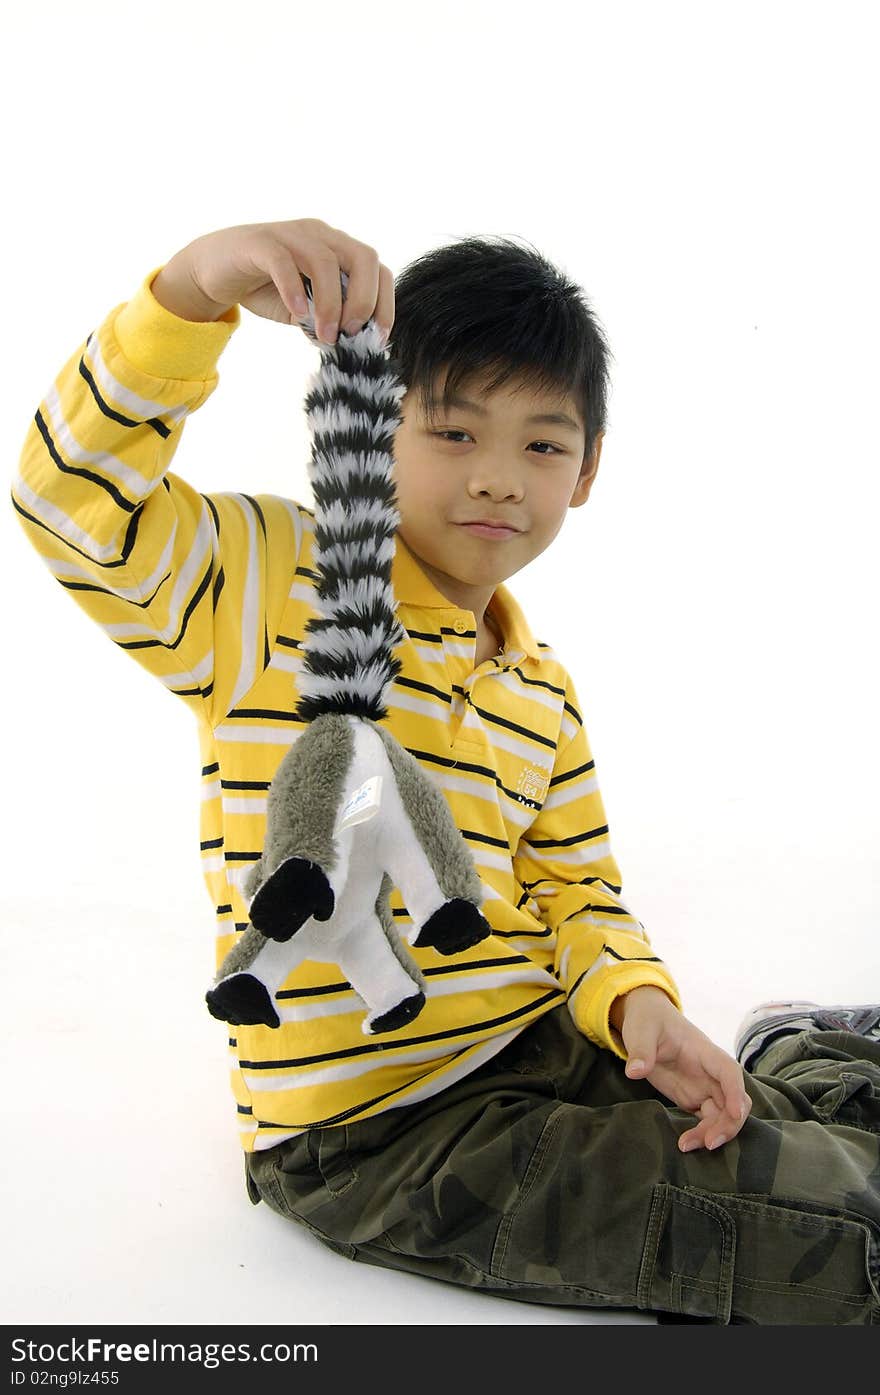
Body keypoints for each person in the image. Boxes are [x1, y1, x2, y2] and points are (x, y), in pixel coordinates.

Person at [12, 217, 880, 1325]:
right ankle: (801, 1069)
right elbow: (69, 501)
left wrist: (637, 1002)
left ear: (587, 469)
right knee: (842, 1236)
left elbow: (577, 890)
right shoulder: (275, 590)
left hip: (546, 1045)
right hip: (388, 1135)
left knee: (803, 1129)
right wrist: (193, 290)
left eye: (541, 445)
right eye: (455, 434)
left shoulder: (538, 687)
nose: (498, 483)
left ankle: (795, 1056)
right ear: (377, 434)